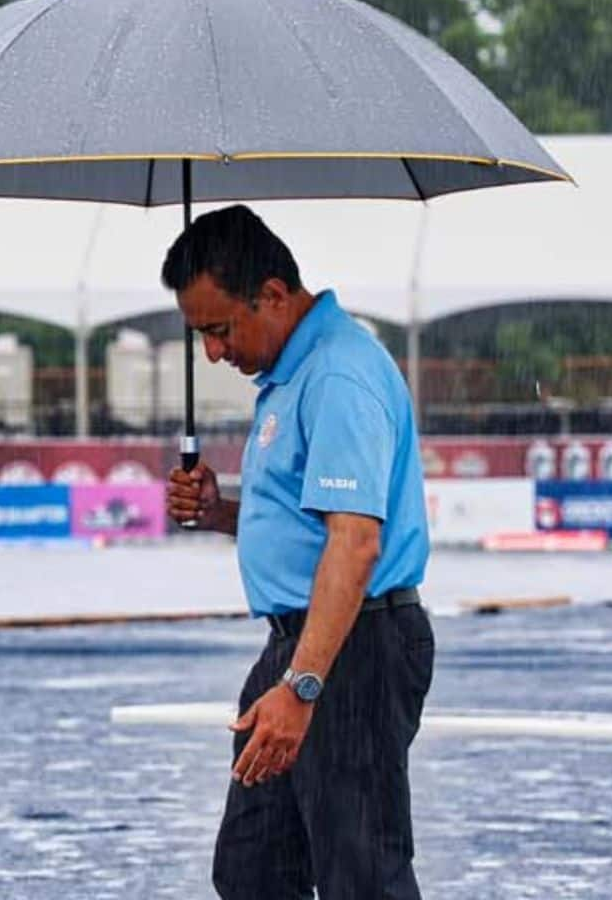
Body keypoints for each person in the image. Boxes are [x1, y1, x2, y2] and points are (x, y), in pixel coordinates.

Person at [162, 204, 433, 900]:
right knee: (254, 870)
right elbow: (312, 528)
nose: (213, 354)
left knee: (359, 874)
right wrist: (220, 511)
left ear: (275, 295)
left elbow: (356, 540)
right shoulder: (294, 373)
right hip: (304, 642)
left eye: (219, 330)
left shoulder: (338, 375)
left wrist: (304, 686)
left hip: (354, 647)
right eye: (199, 336)